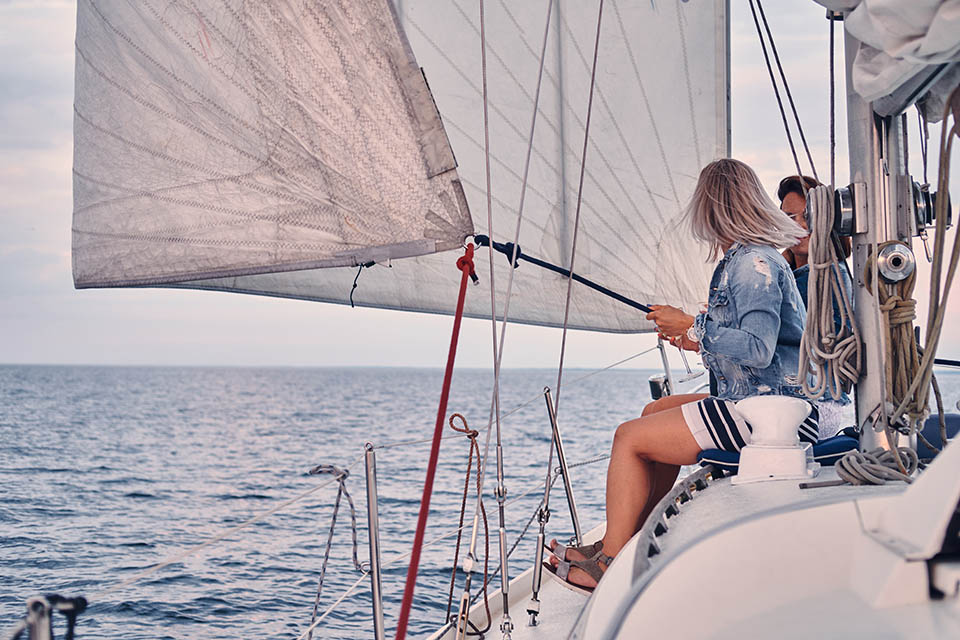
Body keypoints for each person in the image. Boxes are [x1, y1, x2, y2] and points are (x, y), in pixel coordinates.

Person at [545, 159, 816, 594]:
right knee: (654, 411)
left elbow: (761, 349)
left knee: (628, 438)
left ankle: (611, 562)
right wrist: (696, 341)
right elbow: (747, 345)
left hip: (771, 413)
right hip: (753, 400)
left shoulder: (754, 265)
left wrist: (694, 326)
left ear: (715, 207)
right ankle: (626, 537)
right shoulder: (743, 260)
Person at [777, 175, 855, 438]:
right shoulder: (780, 274)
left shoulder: (831, 276)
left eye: (807, 216)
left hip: (812, 406)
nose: (799, 225)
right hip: (783, 398)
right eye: (789, 218)